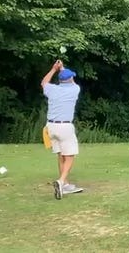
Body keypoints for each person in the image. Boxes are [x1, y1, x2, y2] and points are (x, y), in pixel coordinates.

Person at [41, 60, 83, 200]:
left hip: (50, 127)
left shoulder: (52, 89)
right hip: (65, 126)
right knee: (70, 155)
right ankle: (61, 181)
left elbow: (44, 82)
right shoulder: (74, 89)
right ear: (70, 78)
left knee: (61, 154)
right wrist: (62, 68)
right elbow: (70, 80)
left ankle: (64, 184)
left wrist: (54, 69)